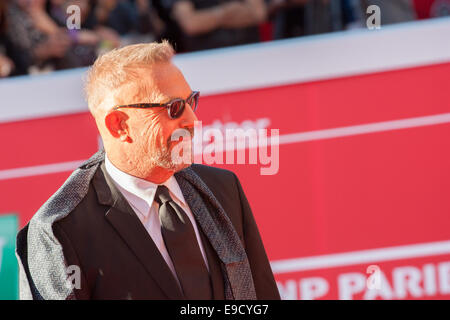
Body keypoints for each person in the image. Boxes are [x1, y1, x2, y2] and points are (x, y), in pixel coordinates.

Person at [16, 41, 280, 300]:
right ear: (118, 125)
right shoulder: (59, 232)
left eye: (191, 101)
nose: (192, 120)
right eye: (174, 108)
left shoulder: (222, 188)